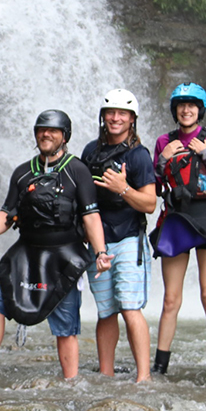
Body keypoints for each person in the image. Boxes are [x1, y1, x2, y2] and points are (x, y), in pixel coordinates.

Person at [0, 110, 111, 385]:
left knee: (66, 324)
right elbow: (7, 214)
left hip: (64, 255)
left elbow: (91, 215)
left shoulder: (77, 170)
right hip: (26, 252)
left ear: (64, 136)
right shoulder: (23, 173)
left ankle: (71, 382)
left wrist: (100, 252)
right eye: (41, 130)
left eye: (53, 131)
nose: (45, 135)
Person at [151, 83, 206, 383]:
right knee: (170, 299)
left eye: (192, 105)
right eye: (181, 105)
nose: (186, 110)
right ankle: (160, 365)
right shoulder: (164, 141)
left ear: (200, 110)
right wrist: (163, 160)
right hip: (177, 218)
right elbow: (156, 187)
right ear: (175, 110)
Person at [80, 90, 157, 382]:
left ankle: (144, 376)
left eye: (122, 113)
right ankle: (106, 372)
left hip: (128, 237)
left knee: (129, 306)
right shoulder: (90, 151)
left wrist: (123, 188)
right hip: (98, 239)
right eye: (110, 112)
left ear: (132, 119)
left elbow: (149, 204)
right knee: (106, 309)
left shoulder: (139, 156)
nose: (115, 118)